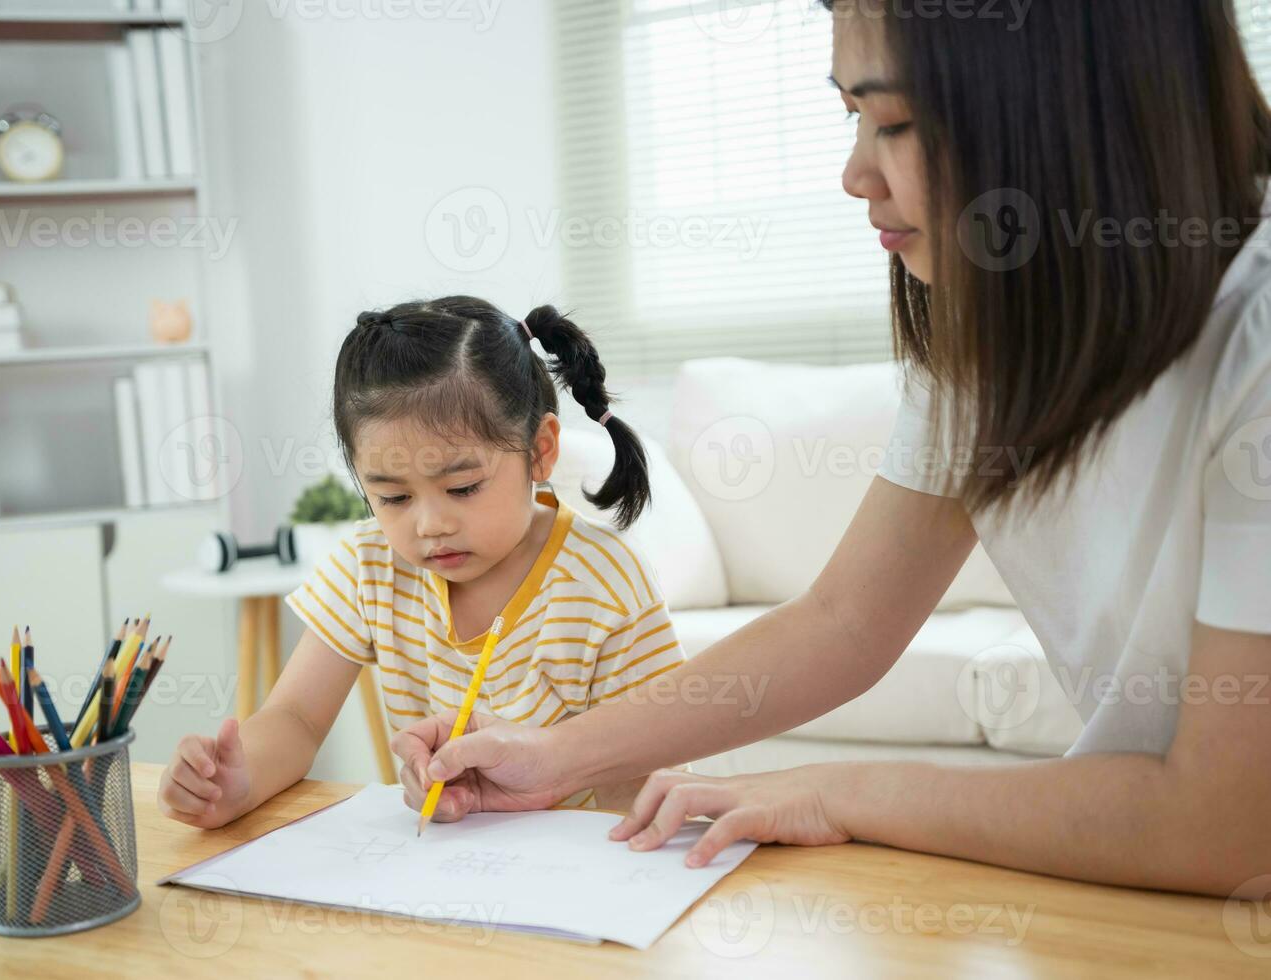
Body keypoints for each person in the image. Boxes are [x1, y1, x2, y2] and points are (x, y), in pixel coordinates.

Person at [390, 0, 1271, 896]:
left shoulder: (1256, 341)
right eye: (852, 115)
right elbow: (846, 621)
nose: (855, 174)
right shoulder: (990, 331)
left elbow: (1227, 825)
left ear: (1072, 105)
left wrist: (839, 790)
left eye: (893, 121)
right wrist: (554, 756)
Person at [157, 297, 685, 828]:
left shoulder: (604, 584)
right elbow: (295, 718)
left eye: (463, 487)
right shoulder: (371, 564)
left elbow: (639, 782)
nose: (430, 525)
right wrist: (237, 781)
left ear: (540, 449)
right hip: (433, 872)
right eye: (393, 498)